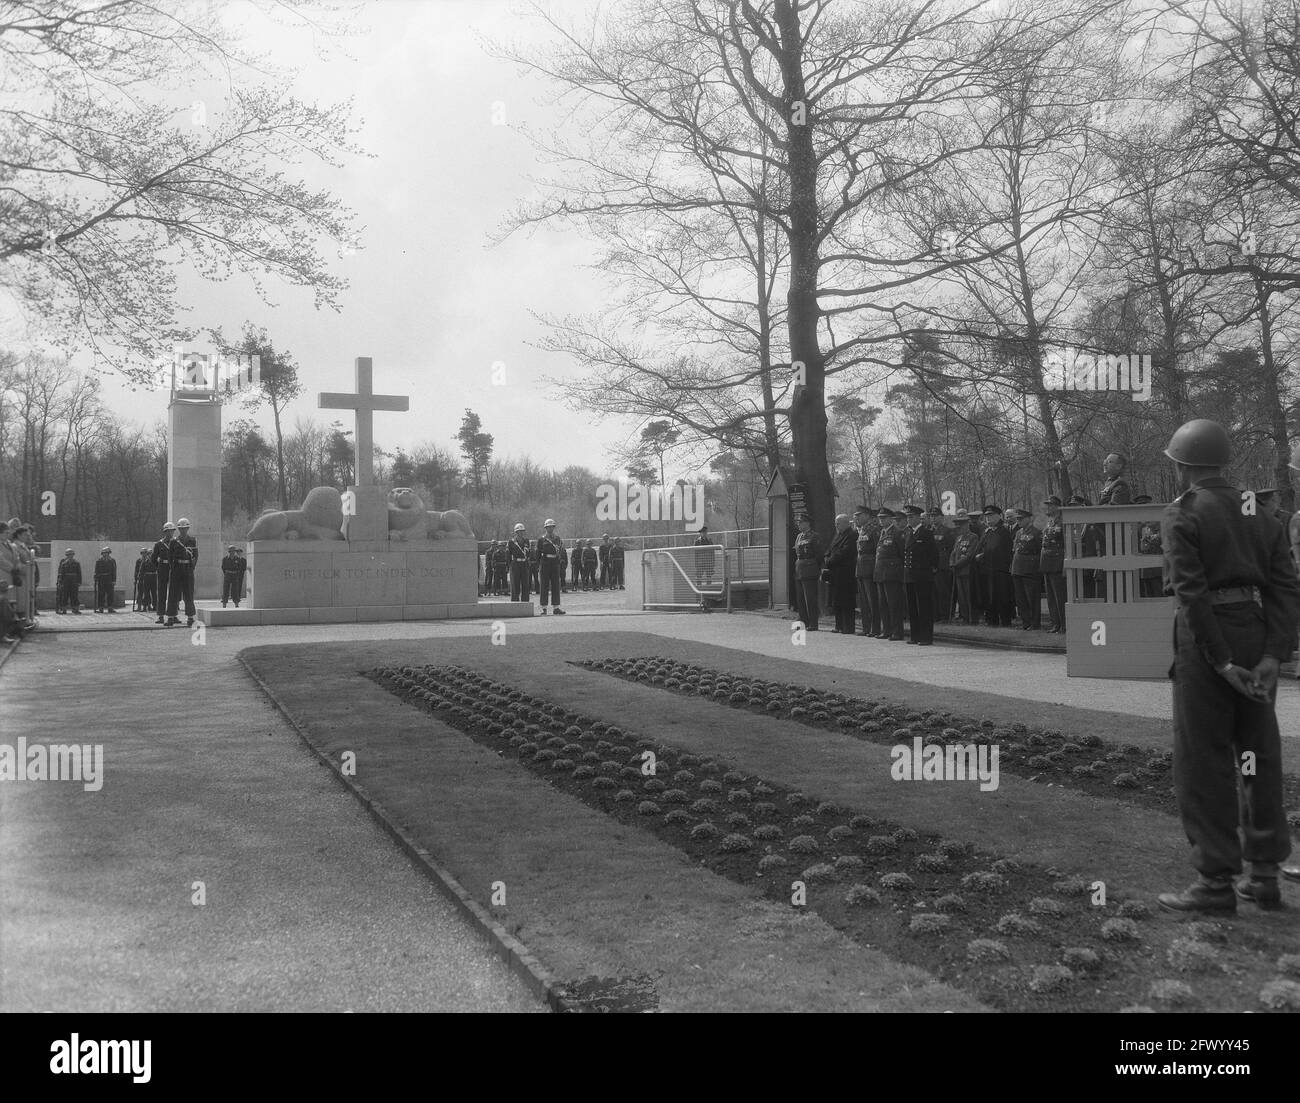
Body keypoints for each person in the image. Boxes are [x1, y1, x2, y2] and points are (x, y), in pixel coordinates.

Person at [1156, 419, 1299, 914]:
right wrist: (1271, 656)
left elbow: (1191, 593)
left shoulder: (1184, 512)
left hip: (1208, 639)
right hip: (1256, 632)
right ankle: (1263, 874)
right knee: (1257, 755)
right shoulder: (1256, 510)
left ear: (1182, 466)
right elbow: (1285, 586)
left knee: (1204, 759)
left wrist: (1220, 661)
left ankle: (1215, 882)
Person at [903, 505, 937, 645]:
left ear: (918, 517)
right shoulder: (909, 533)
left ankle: (926, 637)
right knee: (912, 606)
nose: (909, 519)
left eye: (911, 517)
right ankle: (915, 635)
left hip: (922, 574)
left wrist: (931, 569)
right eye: (908, 517)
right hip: (911, 574)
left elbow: (933, 554)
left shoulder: (926, 533)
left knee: (924, 606)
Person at [975, 505, 1014, 626]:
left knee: (1002, 597)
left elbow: (1005, 551)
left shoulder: (1003, 531)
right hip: (987, 570)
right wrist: (981, 555)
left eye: (991, 515)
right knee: (989, 597)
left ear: (998, 516)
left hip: (1000, 570)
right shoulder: (986, 532)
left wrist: (984, 554)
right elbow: (979, 548)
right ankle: (992, 620)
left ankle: (1005, 621)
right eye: (986, 516)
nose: (988, 518)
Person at [873, 508, 906, 640]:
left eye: (884, 518)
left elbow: (902, 553)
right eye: (880, 518)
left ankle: (897, 632)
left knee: (893, 604)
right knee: (883, 604)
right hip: (881, 572)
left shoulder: (897, 533)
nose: (881, 520)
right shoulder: (881, 533)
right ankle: (886, 630)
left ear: (891, 519)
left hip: (892, 573)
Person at [824, 513, 858, 633]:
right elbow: (830, 549)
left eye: (838, 523)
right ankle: (839, 626)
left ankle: (848, 627)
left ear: (846, 523)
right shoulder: (838, 535)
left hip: (846, 573)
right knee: (836, 600)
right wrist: (827, 558)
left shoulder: (851, 535)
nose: (836, 525)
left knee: (846, 601)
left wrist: (831, 560)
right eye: (835, 523)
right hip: (835, 573)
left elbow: (845, 552)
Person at [1009, 508, 1042, 630]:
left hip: (1030, 570)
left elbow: (1040, 551)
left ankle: (1034, 623)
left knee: (1032, 598)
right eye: (1017, 519)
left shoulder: (1037, 532)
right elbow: (1015, 550)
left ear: (1029, 519)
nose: (1019, 521)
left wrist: (1036, 565)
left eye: (1021, 519)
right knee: (1021, 599)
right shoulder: (1018, 533)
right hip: (1017, 568)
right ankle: (1025, 622)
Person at [1039, 497, 1067, 632]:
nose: (1048, 508)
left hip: (1057, 562)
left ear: (1057, 507)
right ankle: (1055, 623)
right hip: (1047, 562)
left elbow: (1066, 544)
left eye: (1050, 505)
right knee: (1050, 596)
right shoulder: (1049, 522)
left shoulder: (1063, 522)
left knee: (1060, 596)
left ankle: (1064, 624)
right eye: (1047, 505)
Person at [851, 505, 879, 637]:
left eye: (859, 515)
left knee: (872, 600)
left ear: (867, 516)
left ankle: (875, 628)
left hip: (870, 567)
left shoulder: (873, 530)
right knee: (863, 601)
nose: (856, 518)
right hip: (861, 567)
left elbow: (876, 550)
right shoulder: (861, 531)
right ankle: (866, 627)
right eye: (856, 516)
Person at [792, 514, 822, 630]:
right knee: (800, 598)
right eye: (798, 522)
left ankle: (813, 623)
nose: (798, 524)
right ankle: (803, 621)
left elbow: (818, 554)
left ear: (807, 523)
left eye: (801, 522)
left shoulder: (814, 536)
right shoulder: (799, 536)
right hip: (799, 569)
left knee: (810, 598)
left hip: (810, 569)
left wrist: (817, 568)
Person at [949, 510, 979, 624]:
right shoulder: (958, 538)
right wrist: (951, 563)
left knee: (969, 595)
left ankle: (972, 618)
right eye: (957, 524)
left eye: (961, 524)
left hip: (967, 570)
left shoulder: (973, 537)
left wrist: (956, 564)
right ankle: (965, 617)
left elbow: (969, 555)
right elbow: (953, 552)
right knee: (961, 597)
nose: (958, 526)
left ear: (967, 524)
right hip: (958, 571)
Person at [1134, 494, 1164, 598]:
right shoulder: (1135, 526)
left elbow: (1162, 540)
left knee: (1158, 595)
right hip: (1141, 569)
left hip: (1157, 567)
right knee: (1145, 596)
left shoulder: (1158, 523)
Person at [929, 507, 954, 623]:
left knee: (943, 591)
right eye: (931, 516)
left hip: (942, 565)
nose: (933, 518)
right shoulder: (928, 530)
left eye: (936, 516)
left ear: (941, 517)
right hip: (930, 565)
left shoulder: (947, 531)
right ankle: (935, 615)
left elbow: (950, 549)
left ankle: (945, 615)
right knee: (932, 592)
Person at [537, 520, 566, 615]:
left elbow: (561, 551)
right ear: (545, 528)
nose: (550, 528)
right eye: (548, 527)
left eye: (552, 526)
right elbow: (538, 553)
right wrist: (538, 565)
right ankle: (543, 608)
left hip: (554, 563)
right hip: (545, 563)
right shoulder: (541, 539)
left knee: (555, 585)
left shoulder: (557, 538)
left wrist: (559, 562)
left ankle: (556, 607)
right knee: (544, 586)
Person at [174, 517, 198, 626]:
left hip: (188, 569)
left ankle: (190, 617)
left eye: (185, 528)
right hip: (178, 569)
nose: (183, 530)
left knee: (189, 594)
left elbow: (195, 556)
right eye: (181, 528)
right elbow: (172, 556)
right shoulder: (175, 541)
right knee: (175, 593)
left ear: (188, 528)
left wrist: (191, 567)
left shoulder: (192, 540)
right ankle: (173, 616)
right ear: (179, 529)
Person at [151, 522, 176, 624]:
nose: (171, 533)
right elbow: (153, 559)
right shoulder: (159, 544)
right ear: (165, 532)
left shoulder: (176, 543)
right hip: (162, 569)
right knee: (161, 593)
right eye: (168, 531)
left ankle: (173, 615)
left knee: (173, 593)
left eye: (172, 531)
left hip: (173, 569)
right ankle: (160, 615)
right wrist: (159, 567)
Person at [508, 523, 531, 602]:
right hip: (515, 564)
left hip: (524, 564)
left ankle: (525, 602)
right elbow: (508, 555)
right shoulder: (511, 542)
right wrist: (510, 566)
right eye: (519, 531)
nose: (521, 533)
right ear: (516, 532)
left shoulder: (526, 541)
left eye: (522, 531)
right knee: (515, 584)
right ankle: (515, 602)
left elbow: (528, 553)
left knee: (525, 584)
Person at [56, 548, 82, 614]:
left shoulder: (76, 563)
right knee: (65, 595)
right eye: (68, 555)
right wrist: (60, 582)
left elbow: (79, 573)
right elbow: (61, 573)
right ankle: (64, 609)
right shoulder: (64, 564)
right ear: (66, 555)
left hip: (74, 581)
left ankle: (75, 609)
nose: (70, 556)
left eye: (71, 554)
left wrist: (79, 582)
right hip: (66, 581)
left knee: (74, 595)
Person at [93, 547, 117, 612]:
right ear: (102, 553)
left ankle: (110, 607)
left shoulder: (112, 560)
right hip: (101, 579)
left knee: (110, 594)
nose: (106, 554)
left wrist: (114, 580)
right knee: (101, 594)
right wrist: (96, 578)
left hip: (109, 578)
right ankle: (101, 607)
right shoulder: (99, 561)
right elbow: (96, 570)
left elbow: (114, 571)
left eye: (107, 553)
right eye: (104, 553)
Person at [134, 547, 155, 611]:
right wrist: (135, 579)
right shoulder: (139, 561)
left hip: (147, 579)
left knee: (147, 593)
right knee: (140, 593)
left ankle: (148, 606)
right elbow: (136, 570)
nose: (144, 554)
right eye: (143, 553)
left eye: (145, 553)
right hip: (140, 579)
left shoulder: (149, 560)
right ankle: (139, 606)